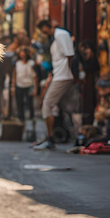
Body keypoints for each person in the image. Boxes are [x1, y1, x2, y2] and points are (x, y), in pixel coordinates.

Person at [34, 19, 76, 150]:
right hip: (59, 75)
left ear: (47, 26)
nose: (44, 33)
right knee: (64, 107)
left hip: (63, 76)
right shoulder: (55, 37)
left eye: (44, 30)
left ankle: (51, 138)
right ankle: (63, 135)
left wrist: (70, 72)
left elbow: (70, 54)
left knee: (47, 104)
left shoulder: (60, 34)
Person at [11, 47, 37, 123]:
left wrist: (35, 88)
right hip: (19, 85)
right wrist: (13, 86)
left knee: (30, 103)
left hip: (29, 85)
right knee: (19, 103)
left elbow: (35, 77)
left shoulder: (31, 63)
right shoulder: (17, 63)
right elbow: (14, 75)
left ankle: (32, 118)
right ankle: (21, 118)